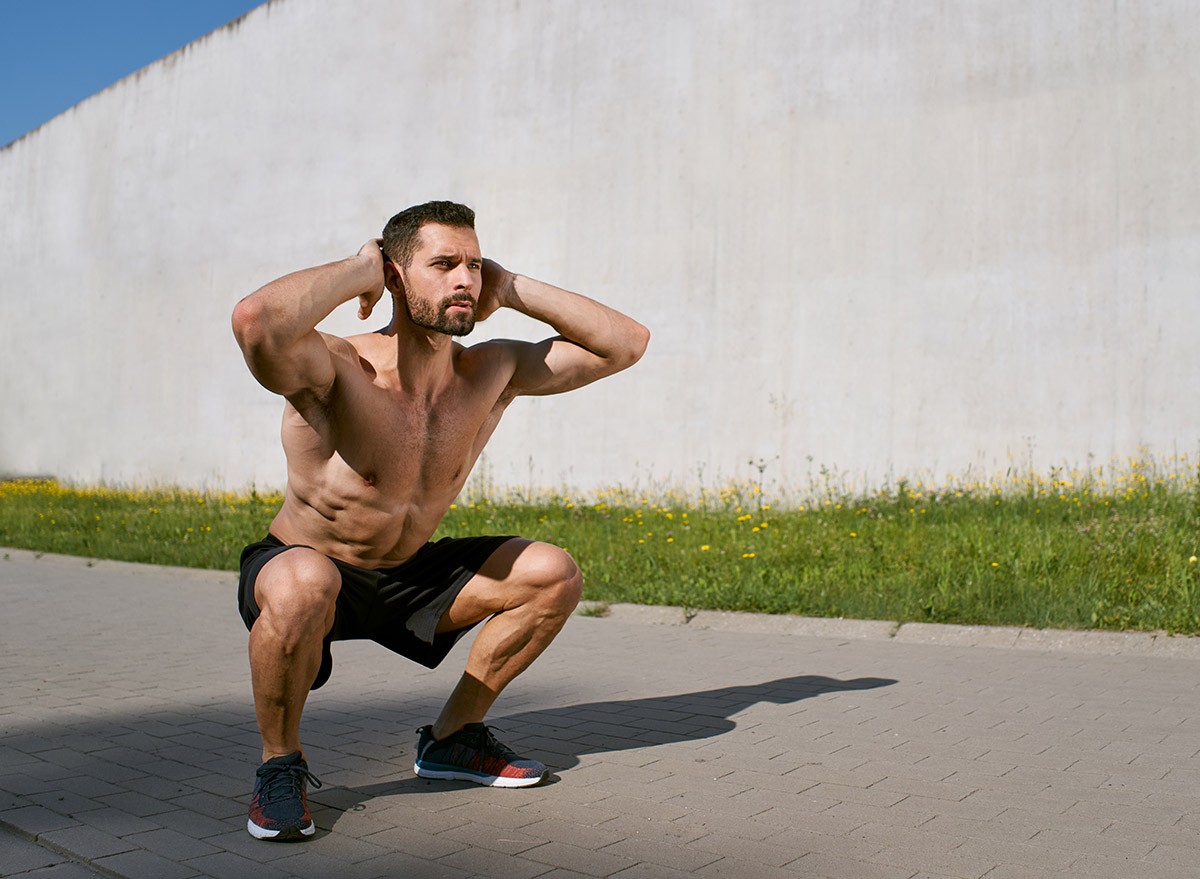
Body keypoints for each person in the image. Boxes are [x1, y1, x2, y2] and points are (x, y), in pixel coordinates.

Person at [230, 200, 649, 840]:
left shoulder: (490, 371)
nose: (465, 281)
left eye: (475, 266)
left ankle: (453, 740)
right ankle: (279, 765)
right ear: (396, 275)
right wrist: (356, 269)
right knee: (304, 582)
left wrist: (511, 289)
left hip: (407, 574)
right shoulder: (339, 364)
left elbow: (626, 343)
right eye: (444, 264)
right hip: (307, 568)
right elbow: (256, 323)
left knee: (551, 574)